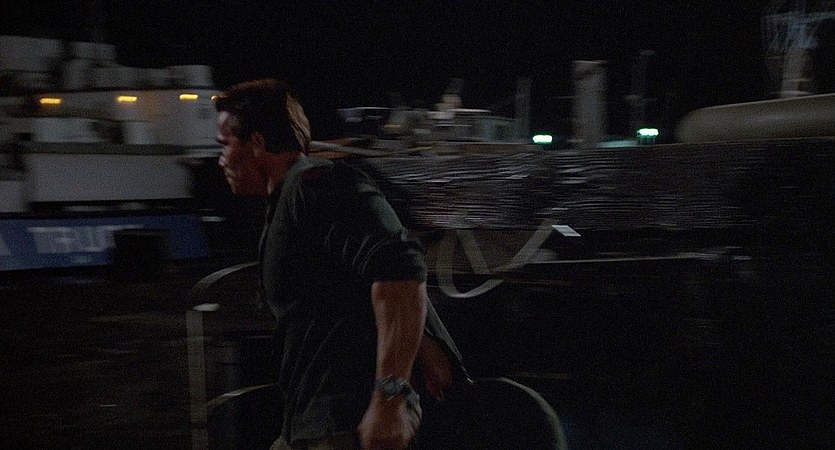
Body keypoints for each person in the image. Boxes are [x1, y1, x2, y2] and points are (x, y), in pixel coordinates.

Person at [214, 79, 466, 450]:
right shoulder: (287, 200)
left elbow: (400, 270)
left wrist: (389, 398)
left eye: (224, 145)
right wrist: (428, 349)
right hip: (311, 422)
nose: (220, 160)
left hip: (349, 422)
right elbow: (361, 282)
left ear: (257, 142)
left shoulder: (316, 185)